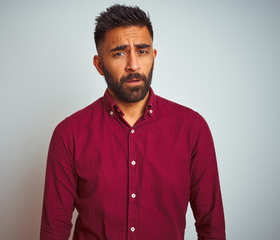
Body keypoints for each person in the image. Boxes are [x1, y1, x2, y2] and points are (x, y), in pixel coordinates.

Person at [40, 4, 225, 240]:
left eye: (142, 51)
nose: (134, 65)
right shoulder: (69, 134)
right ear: (99, 65)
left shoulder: (193, 129)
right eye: (119, 53)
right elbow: (53, 230)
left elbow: (212, 229)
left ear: (154, 57)